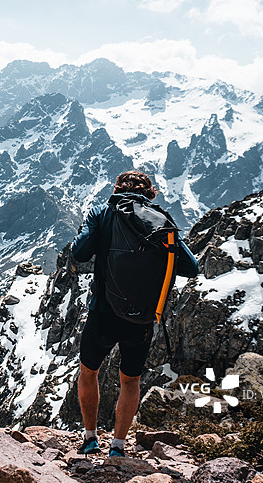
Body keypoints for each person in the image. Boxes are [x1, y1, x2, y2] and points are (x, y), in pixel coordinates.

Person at [71, 170, 199, 457]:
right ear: (150, 193)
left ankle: (90, 439)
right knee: (130, 380)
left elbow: (79, 252)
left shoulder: (102, 212)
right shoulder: (161, 220)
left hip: (103, 312)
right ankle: (118, 446)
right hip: (141, 319)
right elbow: (191, 268)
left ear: (116, 189)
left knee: (89, 371)